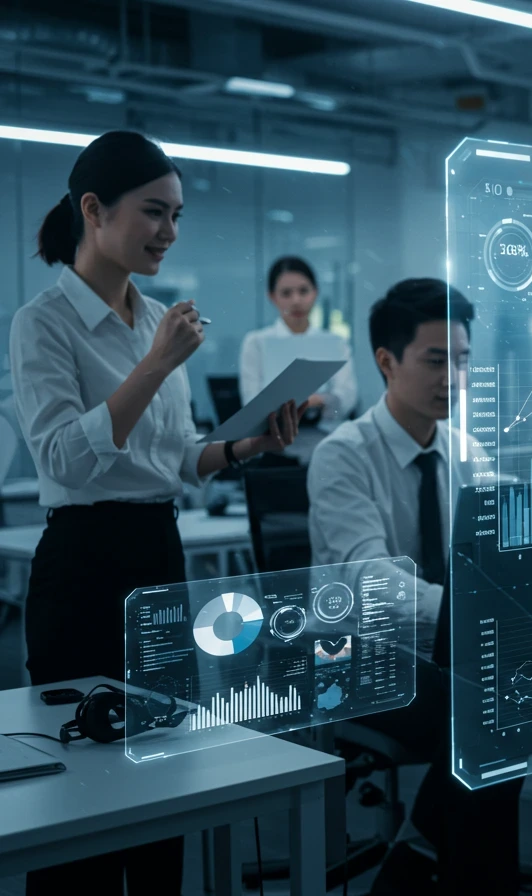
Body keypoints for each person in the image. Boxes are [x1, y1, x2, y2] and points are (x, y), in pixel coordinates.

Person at [13, 130, 305, 893]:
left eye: (177, 216)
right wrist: (155, 365)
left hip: (158, 559)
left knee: (162, 785)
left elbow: (178, 460)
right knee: (76, 805)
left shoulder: (155, 321)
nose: (169, 234)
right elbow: (63, 461)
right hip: (83, 564)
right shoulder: (42, 323)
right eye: (153, 213)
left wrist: (246, 445)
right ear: (93, 211)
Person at [307, 278, 524, 894]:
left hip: (443, 654)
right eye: (436, 360)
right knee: (492, 714)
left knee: (528, 695)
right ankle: (448, 869)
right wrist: (465, 609)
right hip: (351, 654)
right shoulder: (343, 454)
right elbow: (372, 580)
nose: (454, 377)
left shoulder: (467, 452)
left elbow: (500, 554)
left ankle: (425, 855)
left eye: (462, 360)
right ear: (386, 361)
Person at [239, 255, 357, 462]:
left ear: (316, 292)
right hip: (273, 452)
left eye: (303, 291)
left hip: (328, 448)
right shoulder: (257, 342)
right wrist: (310, 401)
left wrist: (318, 401)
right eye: (286, 293)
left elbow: (347, 400)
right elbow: (252, 405)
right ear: (272, 297)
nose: (296, 300)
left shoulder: (335, 342)